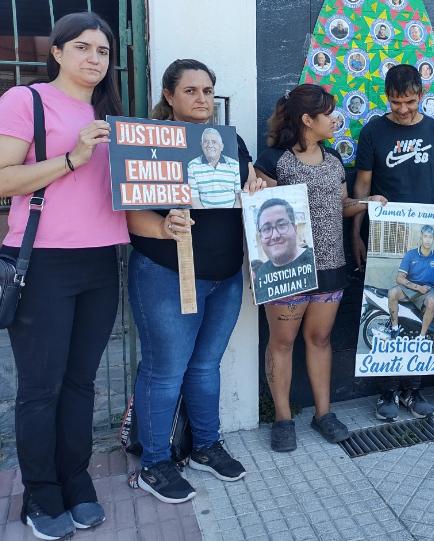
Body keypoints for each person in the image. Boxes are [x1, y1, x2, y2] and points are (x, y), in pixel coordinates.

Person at [0, 11, 128, 540]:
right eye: (84, 48)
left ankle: (76, 479)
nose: (95, 59)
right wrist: (73, 157)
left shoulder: (111, 112)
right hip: (42, 260)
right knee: (40, 388)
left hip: (101, 260)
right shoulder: (27, 101)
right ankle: (40, 493)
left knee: (81, 382)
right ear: (58, 52)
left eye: (104, 51)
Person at [126, 59, 264, 505]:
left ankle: (205, 445)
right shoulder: (146, 141)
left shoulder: (231, 142)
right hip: (167, 272)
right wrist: (164, 226)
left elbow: (246, 193)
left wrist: (256, 191)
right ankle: (155, 463)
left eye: (207, 91)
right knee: (164, 371)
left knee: (205, 366)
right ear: (169, 95)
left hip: (225, 275)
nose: (201, 99)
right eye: (190, 91)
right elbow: (130, 213)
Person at [254, 84, 386, 452]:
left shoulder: (332, 160)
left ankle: (323, 413)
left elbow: (342, 206)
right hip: (287, 268)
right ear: (307, 120)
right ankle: (282, 418)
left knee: (320, 339)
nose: (335, 119)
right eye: (328, 113)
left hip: (331, 265)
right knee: (282, 342)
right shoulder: (272, 161)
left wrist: (367, 203)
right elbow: (260, 216)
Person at [352, 64, 434, 420]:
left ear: (421, 95)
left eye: (410, 101)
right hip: (384, 236)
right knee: (388, 312)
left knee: (421, 311)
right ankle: (386, 394)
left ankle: (413, 390)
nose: (402, 109)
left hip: (425, 239)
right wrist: (355, 234)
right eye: (395, 102)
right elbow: (363, 188)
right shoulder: (373, 131)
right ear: (387, 97)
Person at [252, 198, 318, 302]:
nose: (275, 236)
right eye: (267, 229)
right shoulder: (262, 273)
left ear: (295, 229)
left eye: (281, 225)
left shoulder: (315, 262)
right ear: (260, 238)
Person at [187, 127, 241, 209]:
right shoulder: (192, 165)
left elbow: (238, 196)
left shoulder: (234, 164)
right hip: (205, 216)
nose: (210, 145)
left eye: (214, 142)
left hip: (230, 216)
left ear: (221, 146)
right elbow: (194, 199)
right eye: (206, 142)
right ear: (201, 145)